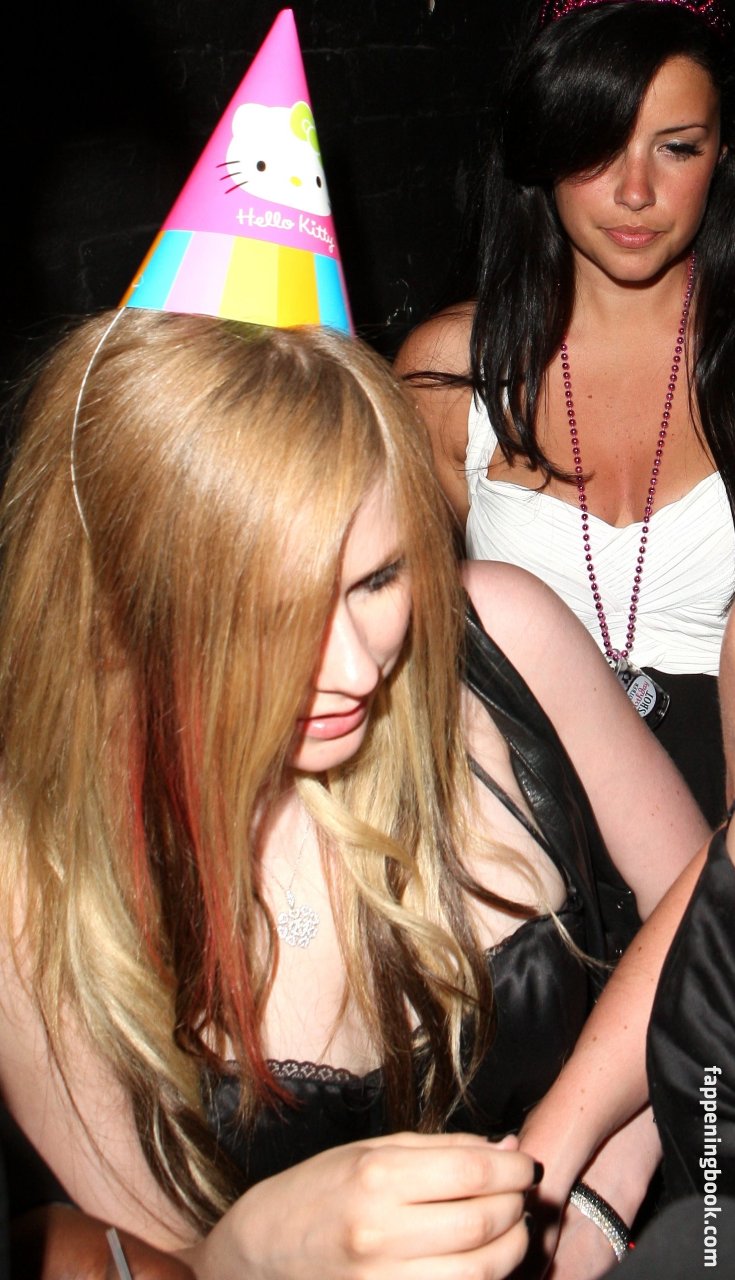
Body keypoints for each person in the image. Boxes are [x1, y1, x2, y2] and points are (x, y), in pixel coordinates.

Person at [0, 310, 708, 1280]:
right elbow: (150, 1254)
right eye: (270, 612)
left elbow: (712, 920)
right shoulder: (33, 890)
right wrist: (246, 1253)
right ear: (122, 610)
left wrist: (589, 1182)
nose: (356, 669)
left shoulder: (504, 636)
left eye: (376, 577)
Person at [395, 0, 735, 827]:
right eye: (597, 145)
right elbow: (396, 631)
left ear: (722, 155)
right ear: (545, 149)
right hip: (518, 825)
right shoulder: (451, 372)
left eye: (675, 147)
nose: (634, 191)